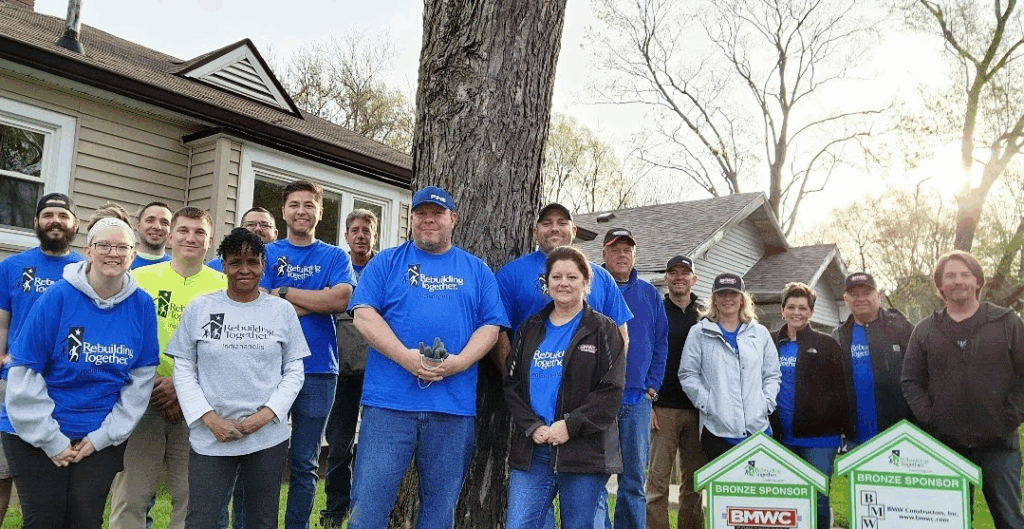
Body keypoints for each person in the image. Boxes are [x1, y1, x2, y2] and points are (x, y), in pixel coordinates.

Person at [346, 186, 507, 529]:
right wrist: (404, 357)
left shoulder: (476, 269)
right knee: (368, 506)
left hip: (452, 408)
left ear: (453, 219)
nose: (429, 219)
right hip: (388, 406)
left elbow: (491, 326)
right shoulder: (386, 263)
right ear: (412, 219)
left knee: (439, 510)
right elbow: (362, 315)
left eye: (437, 213)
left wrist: (460, 362)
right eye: (421, 213)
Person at [1, 216, 159, 528]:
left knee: (85, 518)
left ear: (133, 254)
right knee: (45, 518)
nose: (113, 253)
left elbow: (140, 381)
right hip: (34, 427)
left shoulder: (141, 305)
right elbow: (24, 372)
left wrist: (103, 437)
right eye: (104, 246)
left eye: (122, 247)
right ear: (88, 251)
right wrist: (51, 439)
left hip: (99, 432)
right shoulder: (57, 297)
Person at [167, 228, 309, 529]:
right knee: (201, 520)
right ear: (223, 264)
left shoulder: (281, 311)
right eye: (235, 262)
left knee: (262, 520)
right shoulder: (201, 307)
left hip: (267, 436)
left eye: (253, 262)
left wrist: (266, 416)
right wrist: (209, 418)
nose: (244, 270)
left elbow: (295, 371)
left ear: (263, 264)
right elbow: (183, 367)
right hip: (211, 436)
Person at [110, 207, 227, 529]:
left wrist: (181, 383)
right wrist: (153, 381)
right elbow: (121, 336)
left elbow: (224, 350)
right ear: (171, 236)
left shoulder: (224, 287)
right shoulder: (139, 279)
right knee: (131, 494)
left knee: (191, 497)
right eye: (184, 230)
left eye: (199, 232)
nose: (191, 238)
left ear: (210, 241)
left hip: (199, 406)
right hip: (142, 399)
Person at [504, 246, 626, 529]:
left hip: (584, 450)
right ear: (547, 284)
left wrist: (571, 426)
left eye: (572, 277)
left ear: (586, 282)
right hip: (534, 449)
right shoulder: (529, 329)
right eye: (556, 276)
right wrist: (532, 426)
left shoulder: (603, 330)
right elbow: (512, 385)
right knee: (519, 524)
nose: (563, 283)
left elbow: (611, 390)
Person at [903, 251, 1024, 529]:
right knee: (951, 522)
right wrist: (931, 417)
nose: (958, 281)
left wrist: (1010, 416)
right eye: (950, 276)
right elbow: (910, 380)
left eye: (965, 274)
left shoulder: (1007, 322)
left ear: (978, 282)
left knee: (1010, 520)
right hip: (947, 447)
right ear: (940, 285)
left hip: (999, 447)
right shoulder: (925, 330)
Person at [259, 180, 354, 529]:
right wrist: (314, 299)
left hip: (318, 369)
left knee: (305, 463)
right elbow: (261, 303)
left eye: (309, 205)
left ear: (320, 212)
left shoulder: (334, 255)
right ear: (284, 211)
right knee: (262, 458)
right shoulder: (266, 253)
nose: (302, 211)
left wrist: (284, 291)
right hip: (270, 368)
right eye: (295, 204)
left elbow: (340, 300)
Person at [0, 193, 84, 527]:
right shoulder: (12, 267)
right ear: (36, 222)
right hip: (15, 381)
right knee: (2, 473)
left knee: (58, 475)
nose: (55, 221)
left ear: (74, 224)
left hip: (64, 385)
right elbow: (3, 320)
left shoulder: (83, 269)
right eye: (48, 214)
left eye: (63, 215)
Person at [496, 203, 632, 366]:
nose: (554, 228)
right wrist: (510, 378)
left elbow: (620, 331)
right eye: (547, 223)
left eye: (562, 223)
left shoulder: (602, 277)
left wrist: (610, 377)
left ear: (574, 231)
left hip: (588, 383)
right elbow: (498, 330)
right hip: (531, 382)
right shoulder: (511, 274)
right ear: (535, 232)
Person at [595, 228, 667, 529]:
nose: (621, 255)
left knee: (634, 479)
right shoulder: (592, 286)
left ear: (634, 255)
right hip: (597, 399)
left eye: (627, 249)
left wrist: (652, 385)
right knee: (595, 476)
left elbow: (661, 342)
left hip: (637, 399)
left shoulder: (649, 294)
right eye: (615, 249)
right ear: (604, 254)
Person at [770, 282, 854, 529]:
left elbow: (842, 390)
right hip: (781, 437)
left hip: (819, 439)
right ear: (782, 310)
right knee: (787, 501)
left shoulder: (827, 345)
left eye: (803, 308)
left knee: (818, 498)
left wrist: (842, 430)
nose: (797, 312)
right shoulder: (771, 342)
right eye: (792, 307)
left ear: (812, 312)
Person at [679, 273, 780, 460]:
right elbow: (687, 374)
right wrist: (708, 403)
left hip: (758, 430)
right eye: (721, 294)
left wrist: (766, 403)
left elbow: (772, 375)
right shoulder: (699, 332)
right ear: (714, 300)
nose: (727, 298)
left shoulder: (760, 333)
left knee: (756, 489)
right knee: (723, 489)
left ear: (742, 299)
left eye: (733, 294)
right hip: (717, 432)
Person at [321, 208, 378, 529]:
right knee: (339, 446)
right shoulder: (337, 268)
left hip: (378, 375)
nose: (360, 235)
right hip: (341, 374)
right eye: (354, 230)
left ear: (374, 235)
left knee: (373, 448)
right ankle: (335, 509)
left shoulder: (385, 267)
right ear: (346, 236)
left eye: (366, 230)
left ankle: (367, 508)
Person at [647, 255, 706, 529]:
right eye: (673, 273)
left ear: (694, 278)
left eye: (685, 272)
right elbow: (644, 356)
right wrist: (648, 404)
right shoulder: (655, 311)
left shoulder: (707, 313)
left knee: (694, 483)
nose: (679, 277)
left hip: (698, 410)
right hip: (662, 409)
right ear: (666, 278)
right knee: (657, 483)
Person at [833, 272, 913, 448]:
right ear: (846, 299)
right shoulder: (839, 335)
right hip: (856, 436)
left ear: (878, 296)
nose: (861, 298)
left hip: (898, 434)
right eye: (854, 294)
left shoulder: (901, 328)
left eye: (866, 293)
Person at [207, 207, 279, 272]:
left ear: (275, 234)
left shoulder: (286, 267)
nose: (258, 229)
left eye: (265, 225)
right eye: (251, 224)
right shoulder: (215, 268)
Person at [132, 201, 174, 269]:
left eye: (164, 223)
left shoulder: (176, 268)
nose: (157, 227)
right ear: (138, 226)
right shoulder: (123, 263)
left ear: (171, 231)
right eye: (150, 221)